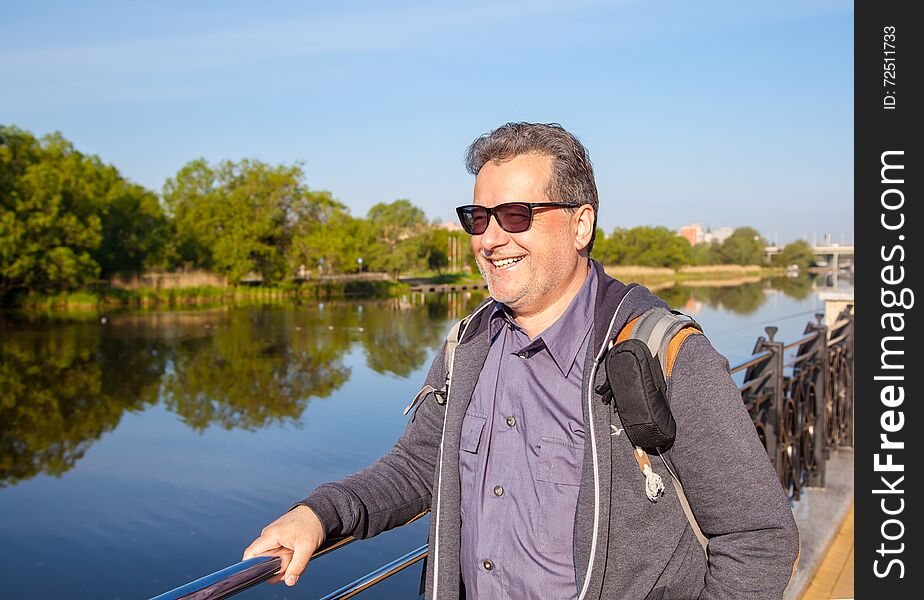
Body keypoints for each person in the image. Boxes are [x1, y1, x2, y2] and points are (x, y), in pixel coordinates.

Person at [243, 122, 799, 599]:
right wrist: (319, 514)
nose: (490, 238)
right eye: (477, 217)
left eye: (514, 215)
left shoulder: (662, 353)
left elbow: (758, 537)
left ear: (581, 223)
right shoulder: (468, 349)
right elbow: (418, 469)